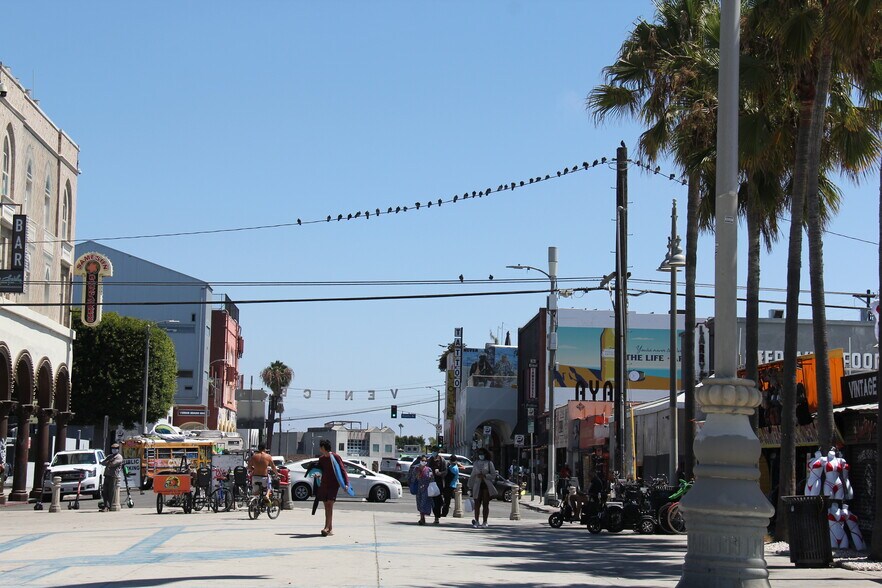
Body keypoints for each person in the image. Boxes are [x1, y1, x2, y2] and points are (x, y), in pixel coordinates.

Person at [315, 439, 349, 536]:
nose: (319, 449)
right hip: (324, 484)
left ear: (323, 447)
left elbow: (342, 470)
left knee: (330, 504)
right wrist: (317, 475)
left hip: (333, 484)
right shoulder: (321, 459)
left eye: (320, 447)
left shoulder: (335, 457)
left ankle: (326, 527)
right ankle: (330, 529)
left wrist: (346, 483)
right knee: (326, 506)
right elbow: (319, 471)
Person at [469, 450, 498, 528]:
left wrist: (485, 476)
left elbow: (493, 475)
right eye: (479, 454)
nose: (481, 455)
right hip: (477, 485)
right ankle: (476, 521)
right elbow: (472, 475)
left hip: (486, 485)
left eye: (482, 454)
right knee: (477, 504)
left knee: (485, 504)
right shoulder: (475, 463)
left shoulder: (489, 463)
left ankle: (485, 521)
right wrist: (470, 486)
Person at [408, 454, 434, 525]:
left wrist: (431, 485)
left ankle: (422, 518)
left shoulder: (429, 469)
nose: (424, 462)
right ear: (420, 461)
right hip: (418, 488)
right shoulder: (416, 469)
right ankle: (422, 517)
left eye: (425, 461)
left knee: (424, 503)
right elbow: (413, 479)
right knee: (419, 503)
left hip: (426, 488)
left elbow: (432, 478)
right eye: (422, 460)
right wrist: (416, 478)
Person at [99, 443, 124, 511]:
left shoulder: (119, 457)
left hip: (113, 476)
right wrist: (108, 461)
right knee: (104, 491)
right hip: (106, 475)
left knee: (111, 492)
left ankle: (109, 506)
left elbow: (113, 464)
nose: (114, 450)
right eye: (113, 448)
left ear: (118, 449)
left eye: (115, 449)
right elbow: (103, 463)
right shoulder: (110, 456)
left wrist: (108, 462)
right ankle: (105, 505)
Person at [427, 450, 447, 524]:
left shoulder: (442, 460)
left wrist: (440, 473)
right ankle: (435, 515)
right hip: (431, 483)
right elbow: (427, 469)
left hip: (439, 483)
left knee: (438, 500)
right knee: (433, 500)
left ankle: (437, 517)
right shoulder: (430, 460)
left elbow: (445, 471)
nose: (434, 453)